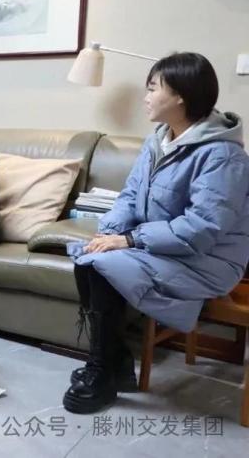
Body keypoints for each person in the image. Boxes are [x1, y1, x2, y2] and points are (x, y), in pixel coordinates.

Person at [63, 52, 249, 414]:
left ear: (180, 96)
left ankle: (104, 371)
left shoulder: (223, 155)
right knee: (89, 258)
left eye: (153, 88)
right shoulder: (158, 140)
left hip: (206, 259)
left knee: (101, 268)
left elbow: (203, 228)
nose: (146, 97)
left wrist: (130, 240)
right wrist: (109, 234)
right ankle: (114, 363)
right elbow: (129, 196)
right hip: (164, 248)